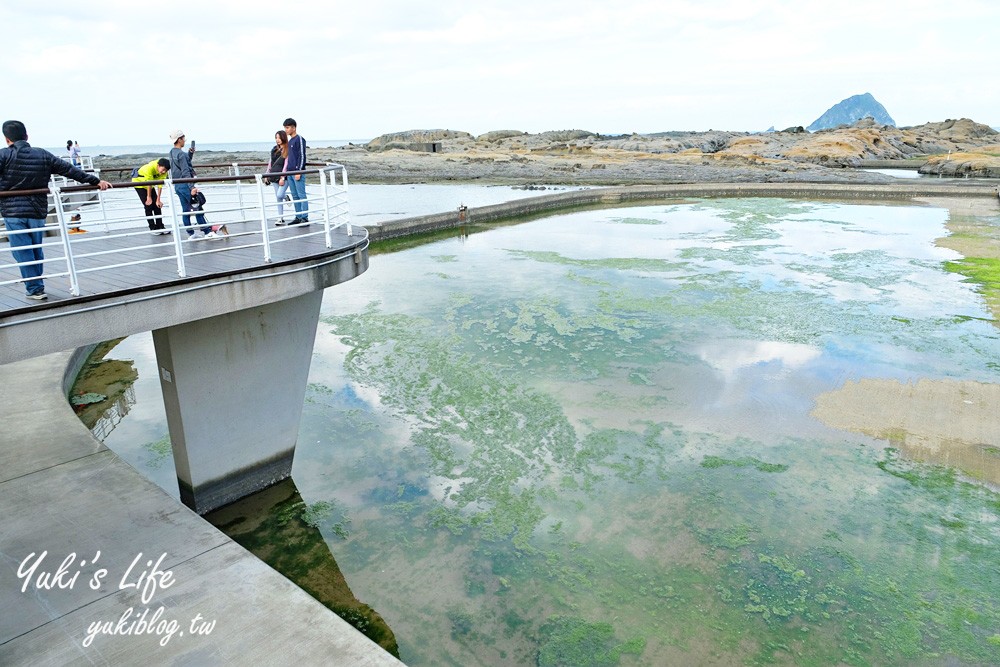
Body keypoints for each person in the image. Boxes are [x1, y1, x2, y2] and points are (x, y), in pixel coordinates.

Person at [0, 120, 111, 300]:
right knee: (36, 249)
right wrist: (95, 181)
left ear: (7, 139)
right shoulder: (41, 154)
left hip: (13, 212)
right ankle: (36, 286)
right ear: (26, 136)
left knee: (22, 250)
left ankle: (35, 288)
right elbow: (69, 170)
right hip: (37, 210)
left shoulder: (3, 155)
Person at [168, 130, 215, 239]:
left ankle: (191, 233)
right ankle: (207, 232)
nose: (184, 141)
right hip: (185, 185)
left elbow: (183, 162)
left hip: (177, 185)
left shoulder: (172, 152)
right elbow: (185, 171)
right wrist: (192, 187)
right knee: (198, 208)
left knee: (185, 210)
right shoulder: (180, 154)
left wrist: (190, 153)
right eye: (183, 138)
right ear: (179, 139)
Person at [131, 158, 171, 234]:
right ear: (158, 166)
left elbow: (160, 185)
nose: (164, 172)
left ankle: (160, 226)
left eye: (166, 170)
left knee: (157, 205)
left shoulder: (164, 171)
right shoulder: (149, 168)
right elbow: (149, 183)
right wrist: (148, 197)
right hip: (139, 184)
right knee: (148, 205)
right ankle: (152, 228)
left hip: (150, 185)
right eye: (163, 169)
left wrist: (158, 199)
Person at [283, 118, 308, 224]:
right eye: (285, 128)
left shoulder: (300, 139)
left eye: (287, 127)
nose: (286, 130)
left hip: (297, 172)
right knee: (295, 195)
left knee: (301, 195)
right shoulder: (290, 141)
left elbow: (302, 156)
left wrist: (299, 171)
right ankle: (298, 216)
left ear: (294, 127)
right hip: (290, 173)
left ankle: (304, 217)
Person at [268, 130, 290, 225]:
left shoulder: (287, 149)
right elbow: (270, 162)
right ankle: (280, 218)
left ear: (283, 137)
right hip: (273, 175)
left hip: (283, 177)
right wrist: (267, 174)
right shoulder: (274, 149)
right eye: (276, 138)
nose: (277, 140)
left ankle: (286, 197)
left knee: (280, 195)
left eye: (279, 137)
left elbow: (286, 164)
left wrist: (282, 177)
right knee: (278, 198)